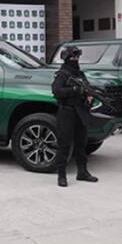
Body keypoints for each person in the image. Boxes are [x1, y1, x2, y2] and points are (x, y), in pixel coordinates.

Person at [51, 46, 98, 187]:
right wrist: (74, 90)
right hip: (67, 112)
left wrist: (89, 96)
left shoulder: (79, 74)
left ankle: (82, 172)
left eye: (77, 57)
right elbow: (57, 91)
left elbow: (88, 88)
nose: (76, 60)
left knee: (81, 144)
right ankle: (61, 175)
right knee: (64, 145)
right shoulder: (62, 74)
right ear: (66, 58)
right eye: (73, 57)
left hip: (81, 112)